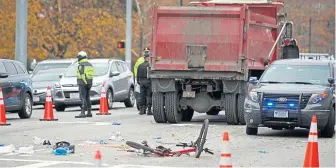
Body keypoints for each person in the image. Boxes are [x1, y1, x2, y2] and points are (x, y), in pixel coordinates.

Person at [75, 51, 95, 118]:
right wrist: (89, 84)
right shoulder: (90, 64)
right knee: (87, 97)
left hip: (82, 83)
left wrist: (85, 82)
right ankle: (89, 112)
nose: (78, 58)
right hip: (89, 83)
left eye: (78, 57)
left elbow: (82, 75)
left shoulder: (81, 65)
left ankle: (82, 112)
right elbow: (91, 75)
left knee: (82, 97)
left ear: (81, 57)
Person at [134, 47, 150, 111]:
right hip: (146, 80)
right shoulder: (140, 60)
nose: (146, 52)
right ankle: (146, 108)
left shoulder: (141, 61)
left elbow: (136, 69)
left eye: (147, 51)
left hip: (141, 80)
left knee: (142, 95)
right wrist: (136, 77)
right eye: (145, 51)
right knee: (147, 95)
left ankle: (142, 109)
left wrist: (138, 79)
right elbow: (136, 69)